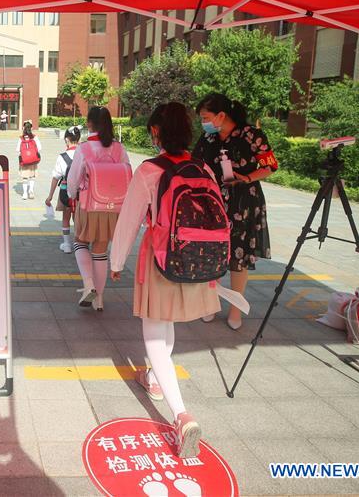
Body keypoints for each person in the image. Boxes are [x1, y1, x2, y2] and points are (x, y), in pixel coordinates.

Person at [110, 102, 220, 458]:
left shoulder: (149, 171)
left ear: (156, 132)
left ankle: (181, 415)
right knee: (166, 324)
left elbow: (128, 222)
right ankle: (155, 380)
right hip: (198, 260)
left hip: (160, 258)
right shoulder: (203, 168)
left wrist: (115, 261)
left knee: (154, 334)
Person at [192, 93, 277, 330]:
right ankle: (209, 304)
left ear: (221, 115)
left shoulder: (251, 135)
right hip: (213, 201)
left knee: (238, 258)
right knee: (213, 253)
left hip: (243, 202)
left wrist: (247, 177)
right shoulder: (208, 137)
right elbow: (195, 163)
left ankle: (235, 310)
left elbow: (271, 165)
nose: (204, 122)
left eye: (206, 117)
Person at [66, 106, 132, 311]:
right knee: (101, 252)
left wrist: (71, 195)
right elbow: (128, 174)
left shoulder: (84, 149)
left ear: (89, 124)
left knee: (79, 242)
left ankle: (88, 285)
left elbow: (73, 181)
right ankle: (100, 299)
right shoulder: (119, 148)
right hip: (114, 208)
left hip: (89, 205)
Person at [45, 126, 80, 253]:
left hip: (66, 191)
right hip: (82, 193)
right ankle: (79, 244)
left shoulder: (62, 157)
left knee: (66, 217)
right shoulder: (84, 154)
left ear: (66, 140)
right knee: (78, 219)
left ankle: (66, 245)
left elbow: (56, 177)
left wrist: (50, 196)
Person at [17, 121, 42, 200]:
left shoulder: (21, 138)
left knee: (25, 177)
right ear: (31, 128)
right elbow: (40, 148)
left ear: (23, 128)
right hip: (33, 160)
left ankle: (24, 193)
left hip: (24, 161)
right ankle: (31, 191)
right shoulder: (34, 137)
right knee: (32, 177)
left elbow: (17, 149)